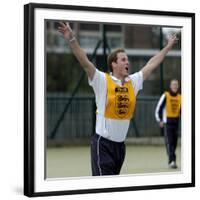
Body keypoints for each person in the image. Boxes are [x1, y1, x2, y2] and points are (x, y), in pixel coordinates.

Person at [58, 22, 178, 176]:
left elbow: (151, 64)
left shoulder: (133, 82)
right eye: (123, 59)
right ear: (113, 64)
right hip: (103, 145)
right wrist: (71, 39)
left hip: (120, 147)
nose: (127, 62)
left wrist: (168, 46)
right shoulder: (102, 80)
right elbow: (85, 63)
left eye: (127, 59)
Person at [155, 79, 181, 169]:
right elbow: (158, 108)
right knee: (169, 142)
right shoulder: (166, 95)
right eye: (173, 84)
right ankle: (172, 161)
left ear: (178, 86)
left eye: (176, 85)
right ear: (170, 86)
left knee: (175, 142)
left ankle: (172, 159)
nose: (175, 86)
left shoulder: (180, 97)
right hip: (167, 122)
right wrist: (160, 120)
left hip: (176, 122)